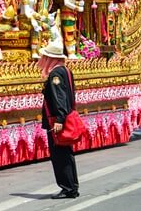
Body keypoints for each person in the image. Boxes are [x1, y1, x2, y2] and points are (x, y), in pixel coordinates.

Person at [39, 35, 79, 199]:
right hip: (65, 117)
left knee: (60, 156)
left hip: (56, 120)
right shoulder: (65, 71)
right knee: (67, 154)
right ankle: (72, 187)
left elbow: (59, 98)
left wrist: (59, 120)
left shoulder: (55, 74)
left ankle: (67, 187)